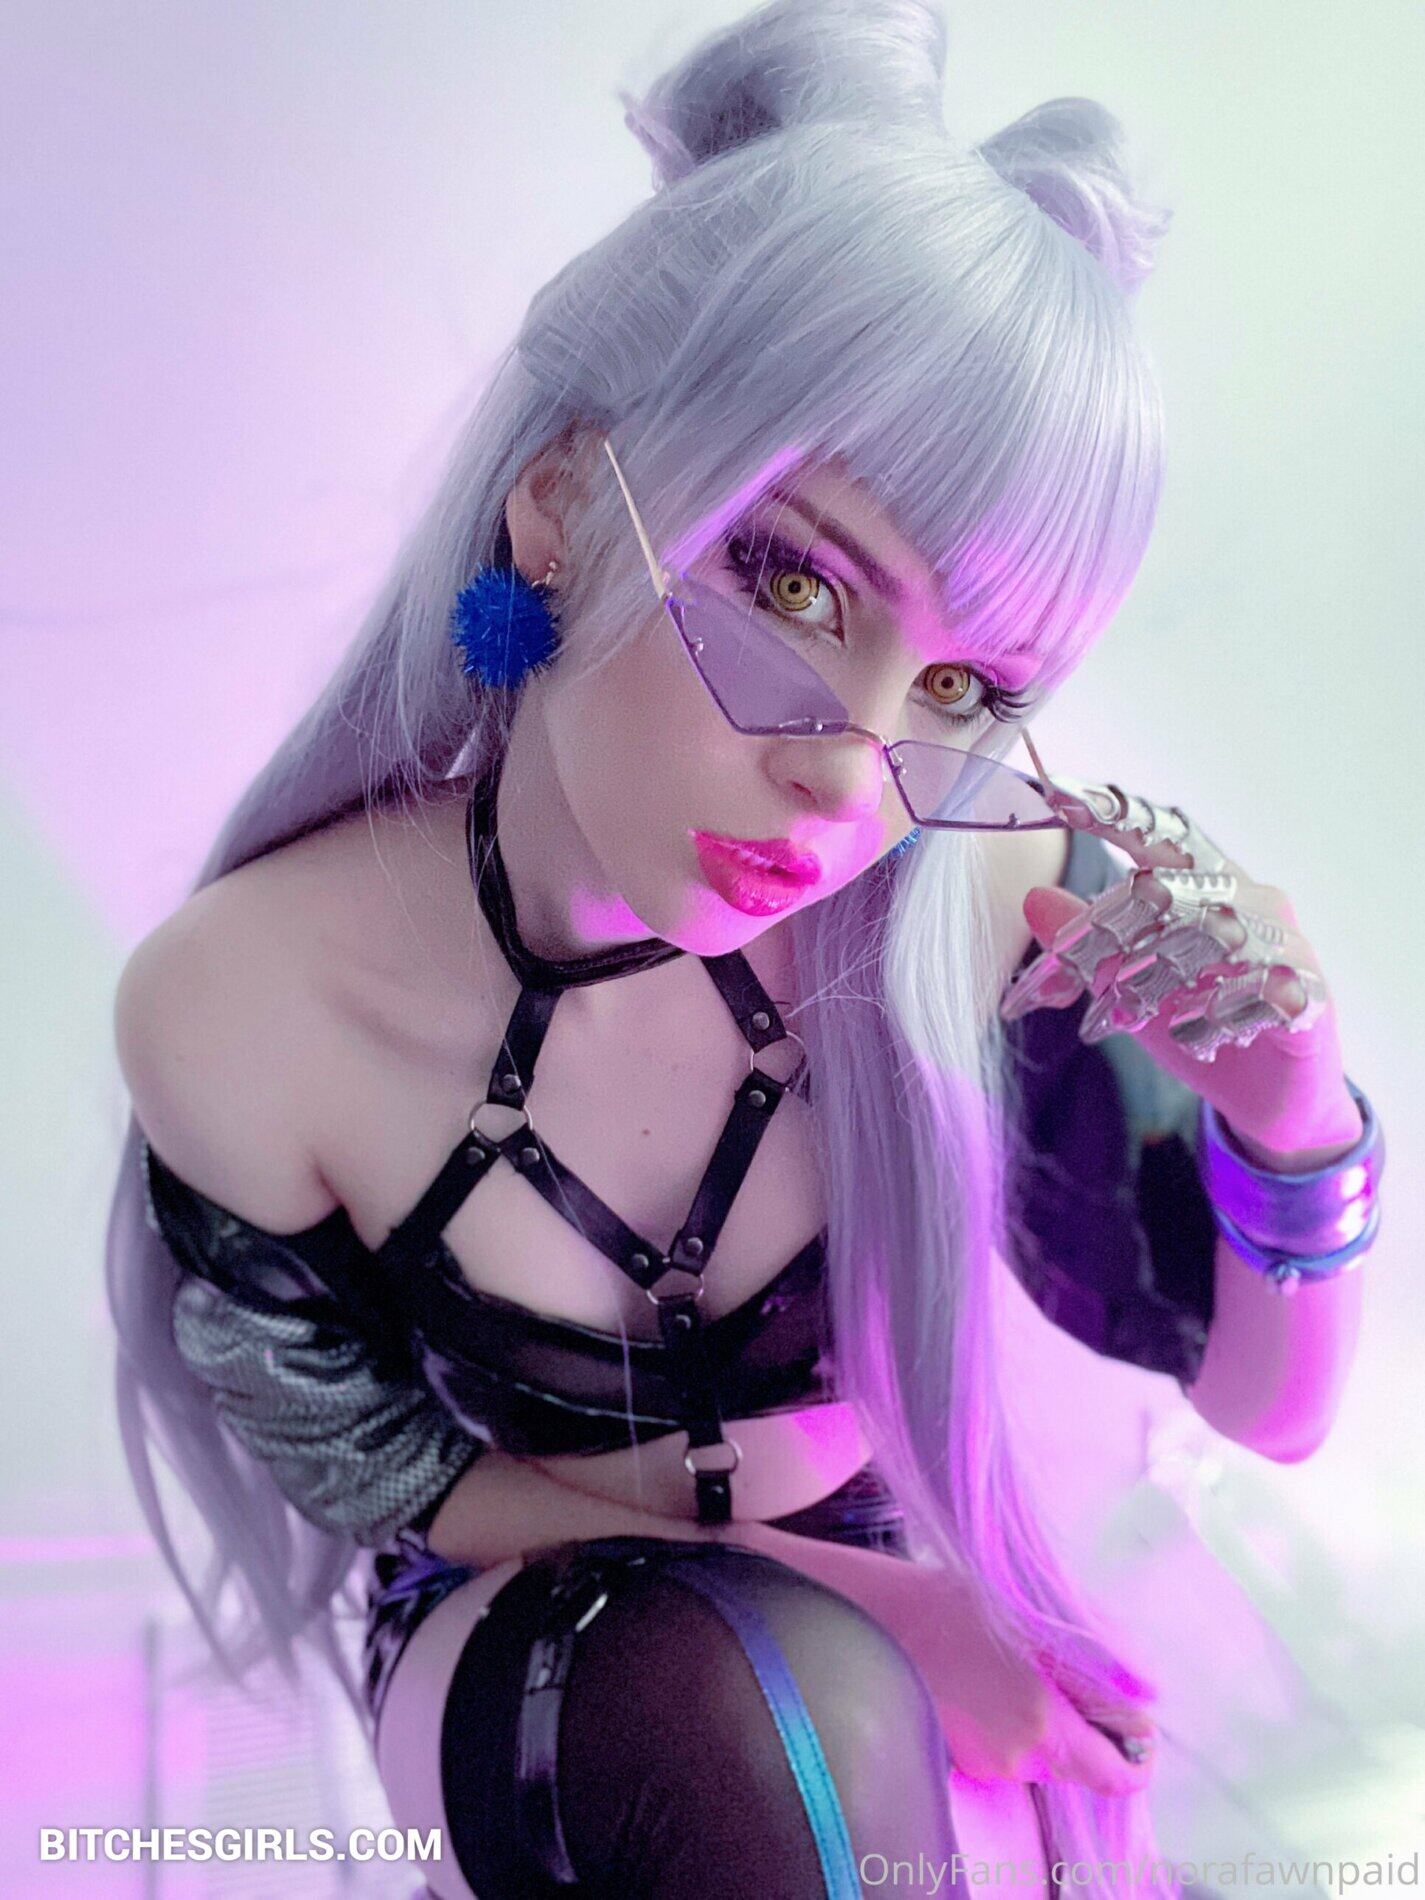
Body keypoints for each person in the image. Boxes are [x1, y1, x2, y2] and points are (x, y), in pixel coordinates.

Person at [105, 4, 1382, 1895]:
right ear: (559, 502)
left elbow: (1273, 1410)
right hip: (517, 1594)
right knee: (749, 1721)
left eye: (961, 684)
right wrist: (868, 1607)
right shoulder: (250, 997)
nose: (844, 769)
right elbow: (374, 1469)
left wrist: (1291, 1114)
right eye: (791, 583)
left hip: (891, 1565)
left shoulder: (980, 910)